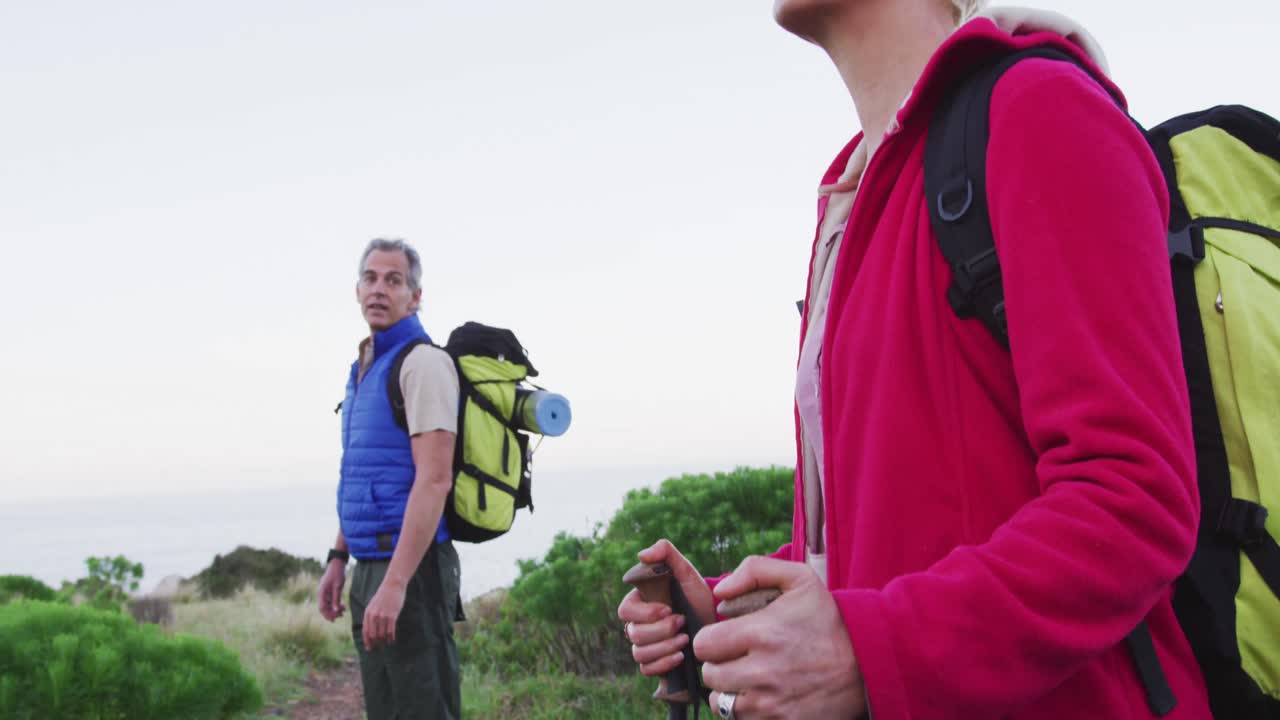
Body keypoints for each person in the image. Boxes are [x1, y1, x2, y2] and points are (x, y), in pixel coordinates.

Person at [618, 3, 1214, 718]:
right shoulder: (854, 198)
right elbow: (883, 529)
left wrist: (868, 650)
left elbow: (1135, 498)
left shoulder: (1042, 109)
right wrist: (733, 618)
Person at [317, 238, 463, 720]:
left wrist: (396, 583)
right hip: (370, 566)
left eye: (393, 280)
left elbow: (434, 481)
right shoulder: (362, 371)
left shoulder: (422, 364)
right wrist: (340, 557)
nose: (379, 289)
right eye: (370, 278)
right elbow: (362, 473)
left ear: (414, 296)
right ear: (357, 290)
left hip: (412, 570)